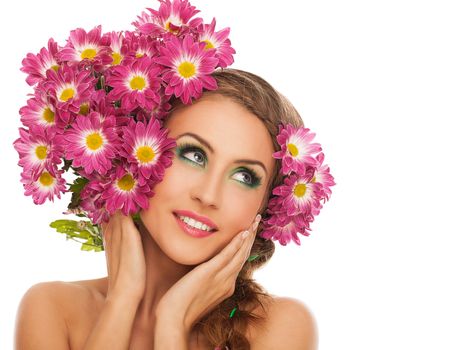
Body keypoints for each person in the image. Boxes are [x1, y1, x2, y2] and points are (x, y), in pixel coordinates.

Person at [14, 68, 319, 349]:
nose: (208, 195)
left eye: (244, 176)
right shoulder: (53, 308)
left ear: (268, 207)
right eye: (194, 155)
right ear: (134, 154)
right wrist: (122, 301)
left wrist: (173, 322)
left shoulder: (279, 327)